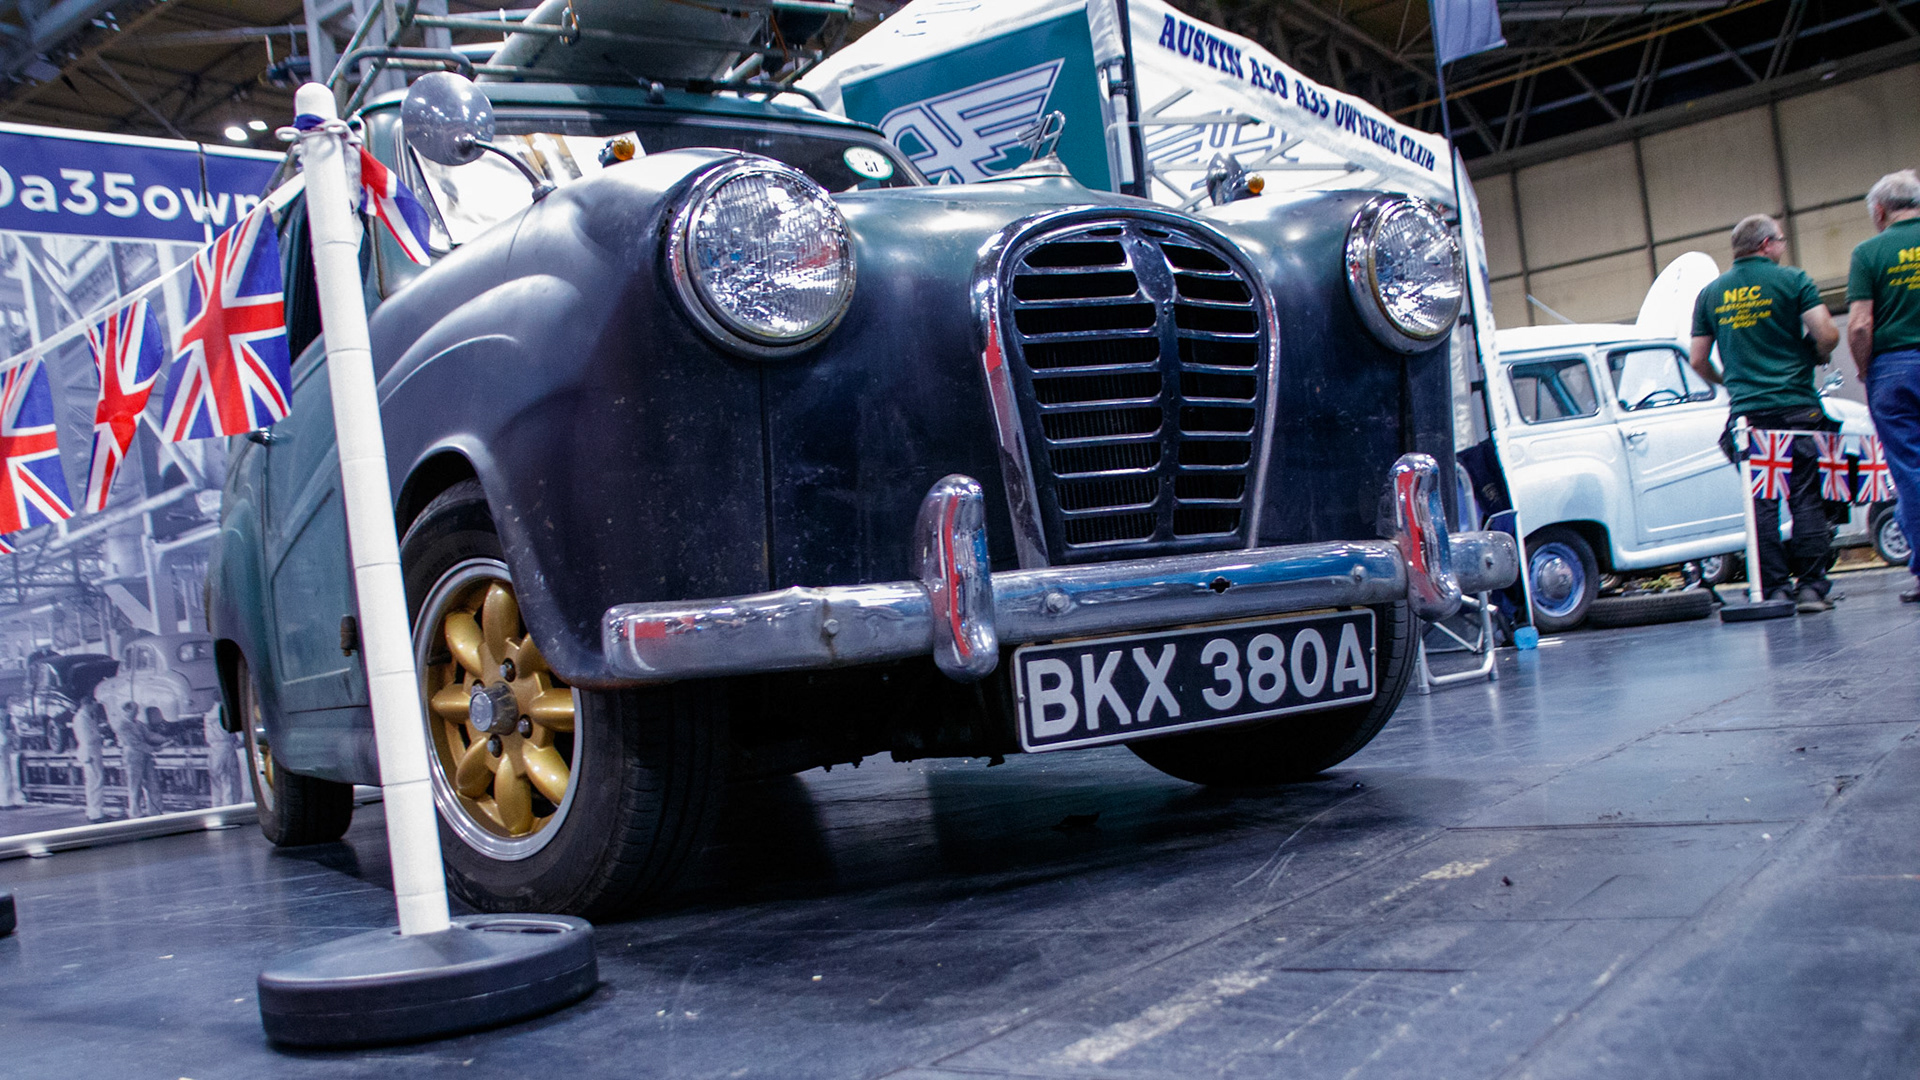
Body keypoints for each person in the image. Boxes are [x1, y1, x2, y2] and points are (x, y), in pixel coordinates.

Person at [1689, 214, 1842, 613]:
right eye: (1781, 240)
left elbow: (1698, 360)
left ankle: (1773, 589)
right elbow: (1827, 334)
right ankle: (1811, 589)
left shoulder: (1710, 293)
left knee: (1763, 501)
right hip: (1798, 411)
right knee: (1806, 498)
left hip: (1750, 418)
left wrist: (1731, 381)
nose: (1783, 247)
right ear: (1766, 244)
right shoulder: (1792, 280)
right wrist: (1814, 353)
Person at [1846, 170, 1920, 604]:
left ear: (1879, 211)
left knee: (1911, 472)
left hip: (1895, 369)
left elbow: (1859, 325)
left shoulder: (1869, 252)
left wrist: (1865, 370)